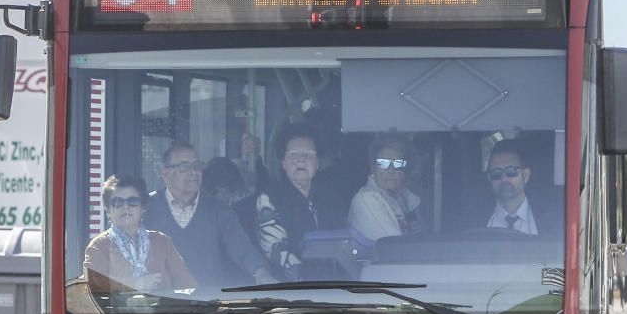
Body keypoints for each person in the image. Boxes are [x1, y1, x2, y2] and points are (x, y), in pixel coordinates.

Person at [145, 141, 275, 288]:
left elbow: (242, 247)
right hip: (162, 304)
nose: (193, 172)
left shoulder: (218, 210)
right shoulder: (146, 208)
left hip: (209, 304)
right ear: (164, 172)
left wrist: (261, 272)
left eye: (196, 166)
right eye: (184, 166)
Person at [83, 174, 196, 293]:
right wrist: (136, 284)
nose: (126, 207)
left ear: (142, 208)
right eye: (118, 202)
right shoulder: (99, 246)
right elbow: (91, 291)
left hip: (164, 311)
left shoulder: (162, 242)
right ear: (108, 211)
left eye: (133, 201)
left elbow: (188, 285)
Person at [255, 124, 340, 279]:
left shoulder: (330, 198)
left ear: (318, 163)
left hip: (333, 286)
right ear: (283, 163)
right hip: (291, 290)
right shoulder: (269, 199)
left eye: (307, 154)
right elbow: (277, 252)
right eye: (293, 154)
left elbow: (344, 244)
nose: (300, 160)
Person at [349, 135, 425, 242]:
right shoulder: (367, 200)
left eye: (398, 164)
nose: (391, 170)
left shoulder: (404, 196)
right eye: (383, 163)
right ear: (372, 168)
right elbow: (396, 246)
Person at [484, 139, 546, 235]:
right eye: (496, 173)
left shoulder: (552, 217)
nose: (504, 179)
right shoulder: (473, 219)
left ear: (525, 176)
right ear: (489, 179)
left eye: (511, 171)